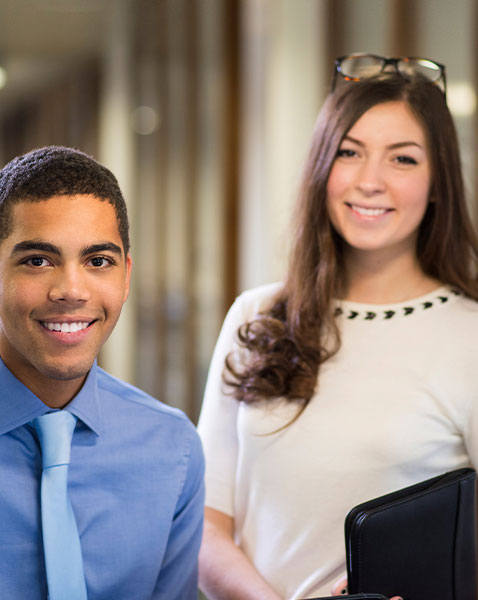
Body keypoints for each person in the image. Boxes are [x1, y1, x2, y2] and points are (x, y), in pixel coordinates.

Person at [197, 54, 478, 600]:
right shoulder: (255, 316)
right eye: (349, 153)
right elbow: (206, 525)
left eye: (402, 159)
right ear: (322, 169)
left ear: (439, 181)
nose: (370, 181)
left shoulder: (470, 337)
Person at [0, 146, 204, 599]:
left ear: (126, 277)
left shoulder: (172, 450)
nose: (71, 291)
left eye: (98, 262)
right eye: (37, 260)